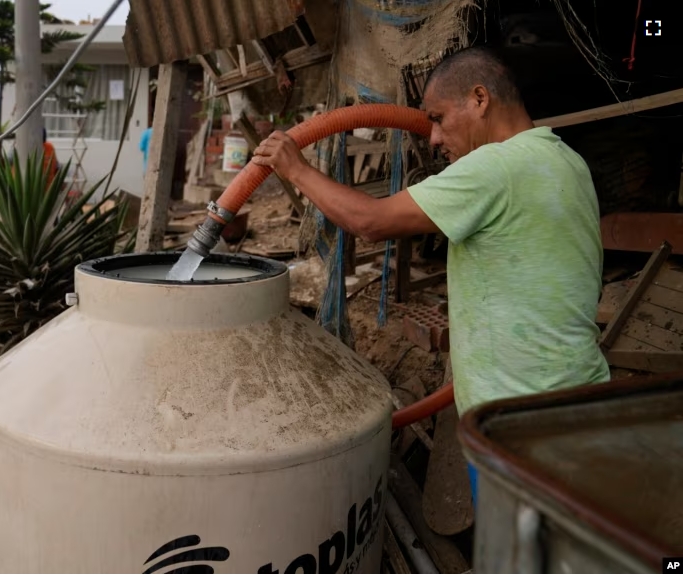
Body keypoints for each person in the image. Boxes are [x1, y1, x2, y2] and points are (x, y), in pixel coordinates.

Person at [251, 46, 610, 506]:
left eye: (439, 117)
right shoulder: (566, 160)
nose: (434, 138)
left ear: (479, 99)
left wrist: (295, 168)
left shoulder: (494, 168)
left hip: (520, 427)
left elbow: (372, 222)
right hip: (577, 403)